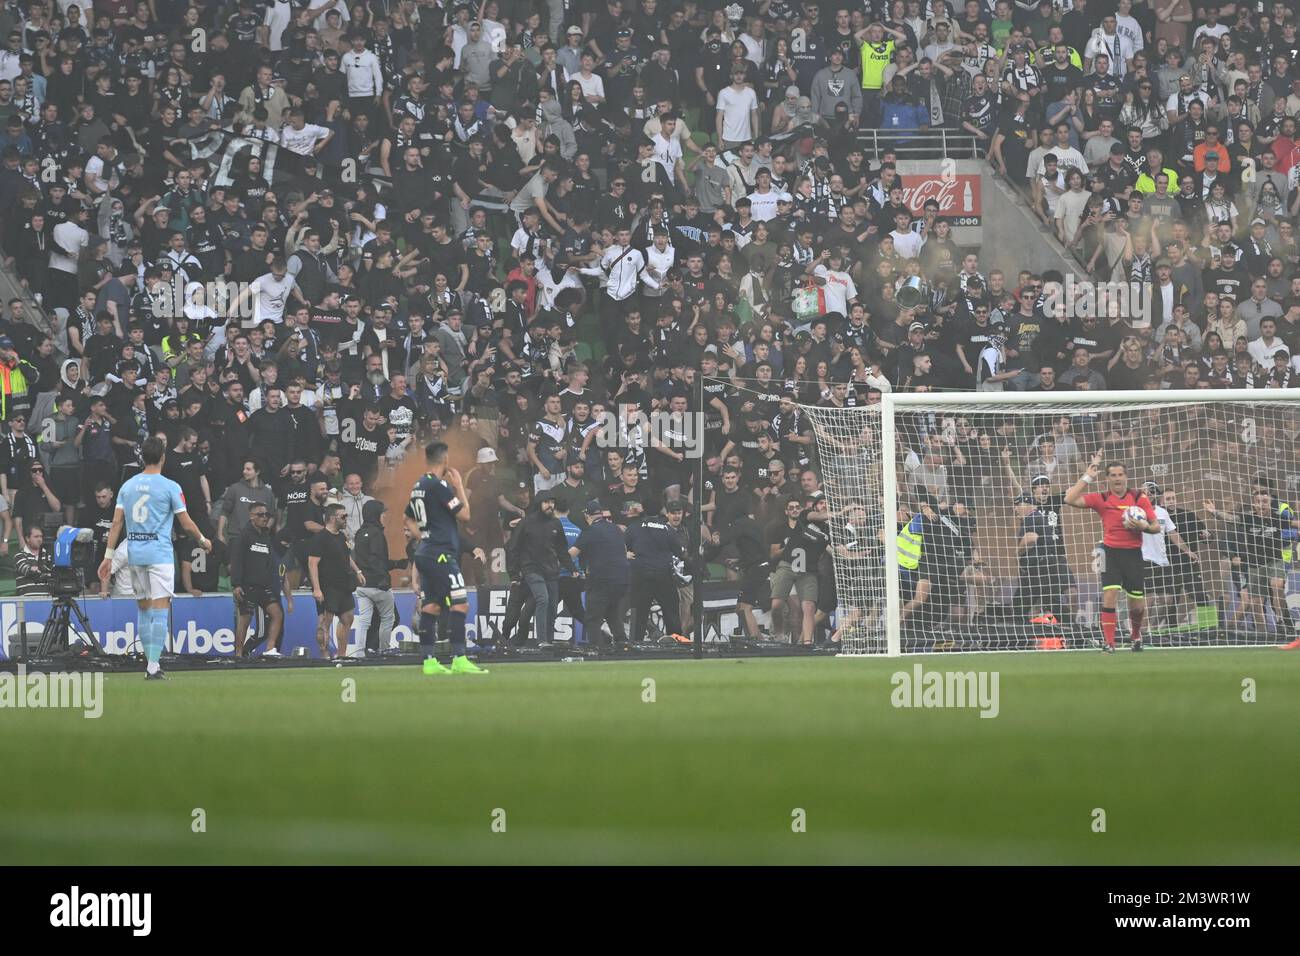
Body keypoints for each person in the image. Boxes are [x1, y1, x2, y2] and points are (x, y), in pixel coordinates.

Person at [97, 436, 212, 678]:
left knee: (143, 610)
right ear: (162, 457)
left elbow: (116, 523)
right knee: (160, 609)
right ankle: (152, 666)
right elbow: (186, 523)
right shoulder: (170, 486)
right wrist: (203, 540)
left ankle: (151, 664)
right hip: (159, 554)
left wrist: (108, 557)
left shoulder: (127, 487)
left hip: (135, 553)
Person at [405, 441, 487, 675]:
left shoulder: (418, 485)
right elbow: (465, 515)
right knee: (460, 603)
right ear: (445, 459)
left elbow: (407, 518)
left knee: (431, 606)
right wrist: (459, 485)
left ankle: (429, 662)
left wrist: (424, 537)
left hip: (426, 553)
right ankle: (459, 658)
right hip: (441, 554)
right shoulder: (439, 486)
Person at [1064, 454, 1159, 652]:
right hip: (1110, 553)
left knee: (1137, 605)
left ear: (1126, 477)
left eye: (1120, 474)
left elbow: (1156, 526)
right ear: (1107, 478)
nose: (1117, 478)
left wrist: (1143, 526)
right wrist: (1087, 477)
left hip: (1133, 554)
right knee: (1110, 595)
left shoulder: (1138, 497)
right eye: (1113, 475)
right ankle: (1110, 643)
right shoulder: (1102, 499)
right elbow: (1069, 498)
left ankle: (1135, 635)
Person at [231, 502, 293, 657]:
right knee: (244, 620)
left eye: (266, 515)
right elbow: (236, 560)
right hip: (247, 585)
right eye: (260, 515)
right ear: (251, 516)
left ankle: (270, 649)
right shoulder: (243, 536)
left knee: (277, 614)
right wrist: (237, 584)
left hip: (264, 585)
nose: (264, 518)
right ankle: (238, 654)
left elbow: (270, 562)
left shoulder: (266, 536)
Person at [513, 488, 571, 648]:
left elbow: (561, 549)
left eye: (552, 502)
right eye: (546, 502)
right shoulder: (526, 523)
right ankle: (542, 640)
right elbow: (514, 548)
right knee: (542, 599)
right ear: (539, 503)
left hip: (551, 570)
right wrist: (514, 574)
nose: (550, 505)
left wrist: (571, 568)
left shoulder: (556, 523)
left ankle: (549, 640)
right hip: (531, 569)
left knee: (553, 606)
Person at [569, 499, 630, 650]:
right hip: (622, 579)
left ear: (588, 516)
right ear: (601, 515)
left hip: (601, 579)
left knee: (593, 618)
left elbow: (572, 554)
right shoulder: (616, 529)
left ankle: (597, 649)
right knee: (612, 613)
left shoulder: (589, 532)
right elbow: (623, 551)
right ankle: (622, 644)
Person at [626, 498, 689, 645]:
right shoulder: (667, 529)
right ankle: (677, 642)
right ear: (661, 511)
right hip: (663, 575)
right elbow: (680, 552)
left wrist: (627, 554)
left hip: (641, 575)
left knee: (639, 612)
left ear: (643, 509)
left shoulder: (634, 527)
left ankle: (636, 643)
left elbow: (623, 545)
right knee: (671, 611)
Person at [307, 502, 364, 660]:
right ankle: (325, 655)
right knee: (325, 622)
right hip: (328, 586)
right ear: (332, 518)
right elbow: (312, 563)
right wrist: (317, 589)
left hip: (344, 585)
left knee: (348, 618)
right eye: (343, 516)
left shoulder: (341, 536)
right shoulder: (320, 538)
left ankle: (341, 654)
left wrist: (357, 570)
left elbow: (346, 556)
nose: (346, 519)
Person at [353, 499, 407, 657]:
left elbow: (368, 560)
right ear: (376, 514)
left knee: (364, 621)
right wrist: (383, 578)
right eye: (383, 513)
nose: (384, 515)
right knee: (388, 619)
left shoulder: (359, 533)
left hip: (362, 585)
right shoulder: (377, 534)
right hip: (378, 585)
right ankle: (384, 651)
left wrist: (396, 564)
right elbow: (377, 560)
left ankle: (360, 653)